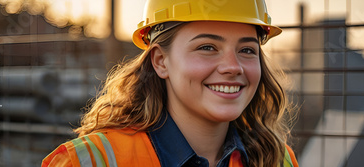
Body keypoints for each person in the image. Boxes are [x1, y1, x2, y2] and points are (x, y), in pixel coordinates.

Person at [42, 0, 299, 166]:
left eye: (247, 50)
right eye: (207, 47)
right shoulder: (86, 161)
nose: (233, 66)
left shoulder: (277, 159)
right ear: (160, 61)